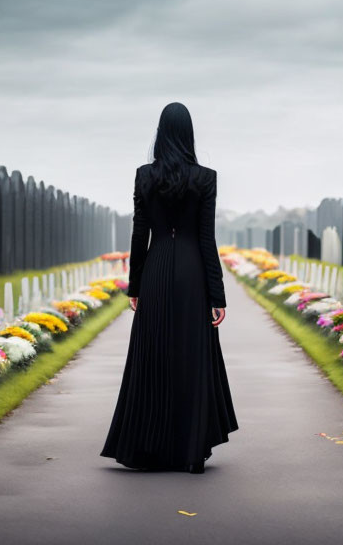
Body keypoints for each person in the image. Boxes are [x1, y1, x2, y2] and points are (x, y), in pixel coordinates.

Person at [100, 102, 238, 474]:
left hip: (157, 270)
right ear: (189, 134)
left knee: (154, 355)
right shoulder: (205, 178)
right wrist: (217, 294)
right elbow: (207, 239)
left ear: (160, 134)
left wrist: (135, 285)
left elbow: (139, 233)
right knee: (193, 357)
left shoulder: (144, 176)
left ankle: (150, 449)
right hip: (193, 273)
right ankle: (193, 453)